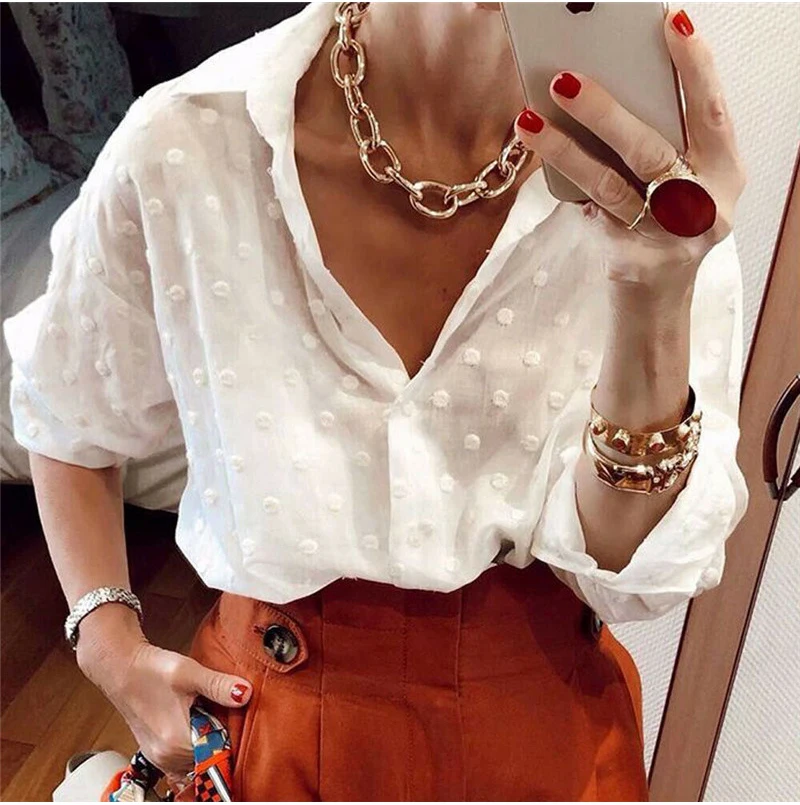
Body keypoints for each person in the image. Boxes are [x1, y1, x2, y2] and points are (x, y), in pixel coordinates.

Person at [3, 2, 748, 800]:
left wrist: (652, 296)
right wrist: (107, 642)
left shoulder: (647, 189)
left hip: (544, 740)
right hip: (271, 734)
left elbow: (630, 574)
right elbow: (68, 409)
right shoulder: (190, 141)